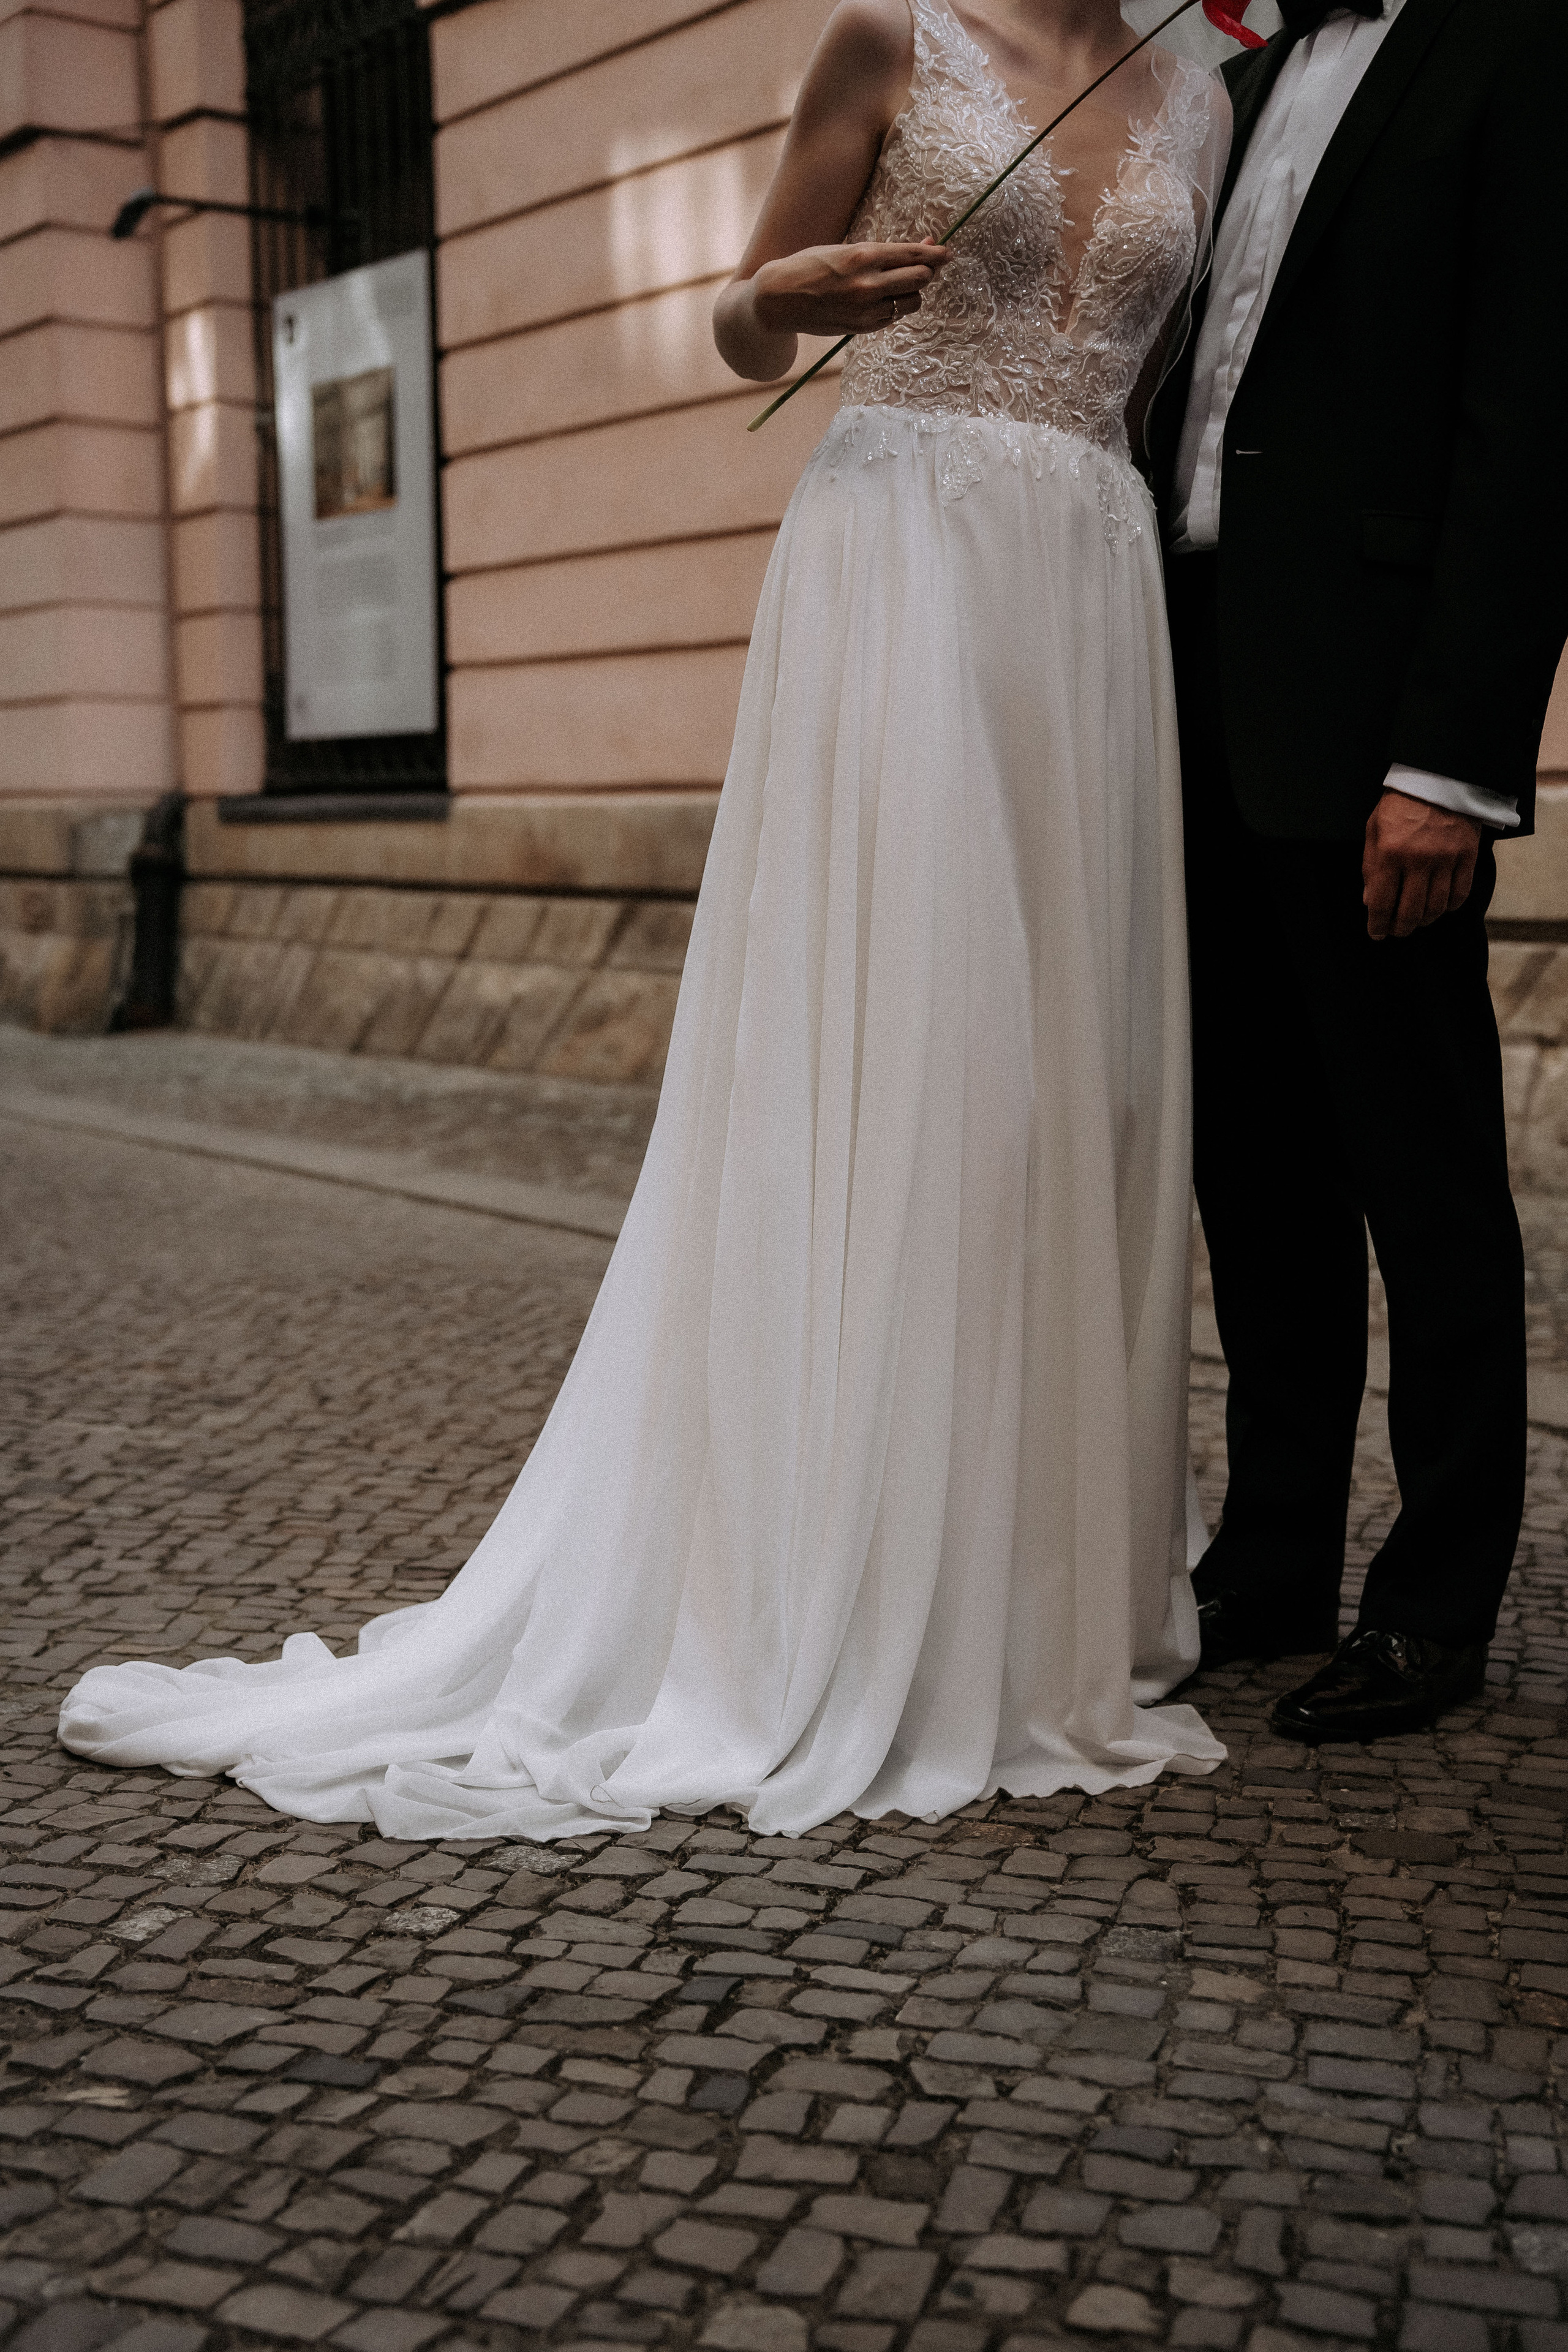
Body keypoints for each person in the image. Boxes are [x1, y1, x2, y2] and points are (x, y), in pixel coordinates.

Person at [59, 0, 1233, 1838]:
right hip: (903, 556)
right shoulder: (890, 37)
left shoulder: (1200, 88)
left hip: (1087, 591)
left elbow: (1172, 388)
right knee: (911, 1058)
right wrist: (794, 303)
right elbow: (734, 315)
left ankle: (1033, 1590)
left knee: (1063, 1090)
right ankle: (823, 1571)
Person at [1148, 0, 1568, 1741]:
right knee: (1256, 1176)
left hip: (1372, 732)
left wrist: (1452, 765)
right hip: (1179, 695)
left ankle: (1437, 1599)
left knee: (1425, 1177)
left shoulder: (1516, 55)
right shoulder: (1226, 89)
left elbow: (1536, 424)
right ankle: (1272, 1558)